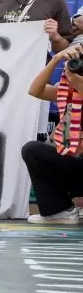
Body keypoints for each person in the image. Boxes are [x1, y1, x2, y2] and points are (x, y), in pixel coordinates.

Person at [23, 43, 83, 224]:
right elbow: (35, 90)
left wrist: (76, 81)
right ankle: (59, 211)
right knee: (33, 150)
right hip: (76, 166)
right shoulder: (70, 93)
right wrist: (57, 59)